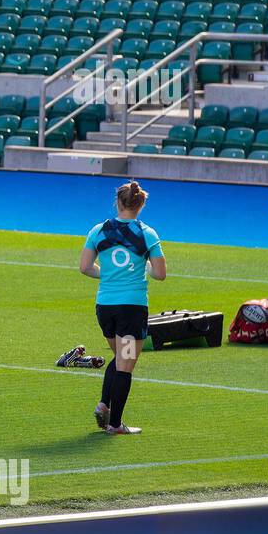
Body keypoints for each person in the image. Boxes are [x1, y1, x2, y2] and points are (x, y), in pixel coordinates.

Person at [79, 180, 167, 436]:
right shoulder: (147, 233)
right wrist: (147, 268)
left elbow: (85, 267)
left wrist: (107, 275)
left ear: (118, 202)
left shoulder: (99, 230)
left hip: (105, 307)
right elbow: (160, 274)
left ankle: (104, 404)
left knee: (120, 357)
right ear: (140, 205)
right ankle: (115, 425)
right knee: (125, 365)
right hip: (132, 309)